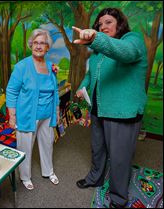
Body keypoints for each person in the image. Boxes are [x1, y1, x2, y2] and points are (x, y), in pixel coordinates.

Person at [73, 8, 147, 208]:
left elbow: (126, 53)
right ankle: (95, 178)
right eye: (100, 24)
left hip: (122, 112)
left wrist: (95, 37)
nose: (102, 26)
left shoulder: (133, 40)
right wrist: (82, 87)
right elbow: (91, 75)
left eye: (108, 22)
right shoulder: (98, 53)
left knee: (119, 159)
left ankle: (118, 199)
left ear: (119, 24)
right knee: (97, 149)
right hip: (99, 108)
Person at [6, 28, 60, 190]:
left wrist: (56, 112)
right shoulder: (22, 66)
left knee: (47, 143)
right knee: (25, 146)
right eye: (36, 42)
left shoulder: (51, 67)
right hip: (28, 114)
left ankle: (48, 171)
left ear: (48, 47)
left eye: (42, 43)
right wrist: (12, 116)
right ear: (31, 45)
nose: (38, 46)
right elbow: (11, 91)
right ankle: (25, 177)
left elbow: (54, 90)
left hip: (47, 114)